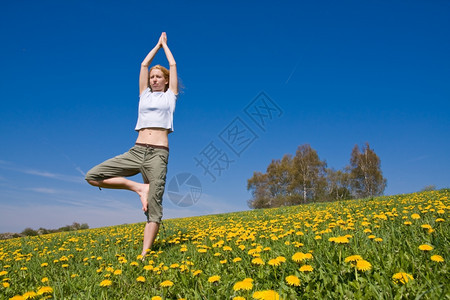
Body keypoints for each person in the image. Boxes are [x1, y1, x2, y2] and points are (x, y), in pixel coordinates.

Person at [85, 32, 178, 258]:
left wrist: (165, 47)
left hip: (158, 155)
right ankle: (138, 188)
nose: (154, 79)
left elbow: (173, 64)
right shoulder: (143, 95)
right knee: (92, 175)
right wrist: (156, 45)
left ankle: (145, 254)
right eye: (152, 77)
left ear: (166, 80)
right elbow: (144, 64)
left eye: (159, 76)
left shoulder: (170, 96)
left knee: (154, 208)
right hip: (136, 151)